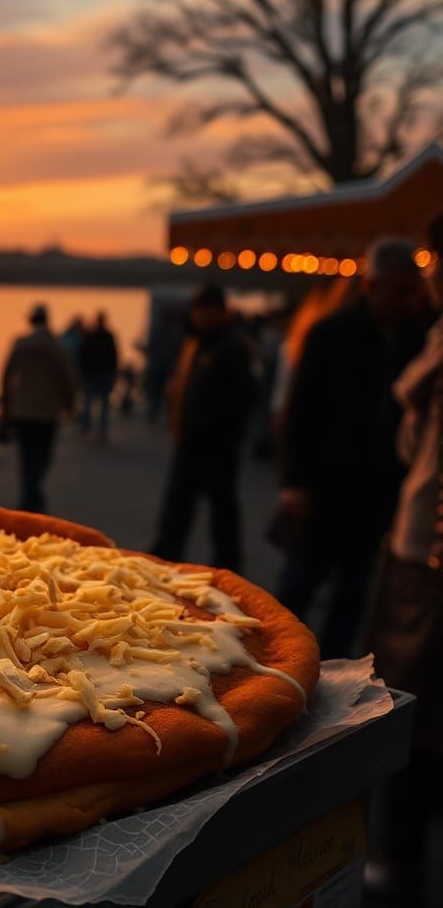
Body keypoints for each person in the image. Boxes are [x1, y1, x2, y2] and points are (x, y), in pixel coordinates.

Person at [276, 237, 427, 658]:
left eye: (411, 292)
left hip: (380, 492)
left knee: (354, 591)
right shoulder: (331, 333)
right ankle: (280, 661)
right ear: (371, 285)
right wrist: (294, 483)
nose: (406, 302)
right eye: (399, 292)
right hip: (325, 486)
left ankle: (334, 669)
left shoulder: (417, 337)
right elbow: (299, 411)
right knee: (300, 583)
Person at [364, 216, 443, 901]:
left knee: (410, 704)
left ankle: (399, 850)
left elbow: (416, 453)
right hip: (416, 550)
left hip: (426, 555)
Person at [151, 285, 256, 570]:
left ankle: (229, 565)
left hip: (218, 445)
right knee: (178, 506)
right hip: (189, 440)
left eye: (205, 310)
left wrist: (217, 427)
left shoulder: (232, 347)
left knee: (222, 507)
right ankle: (164, 558)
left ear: (220, 312)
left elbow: (244, 397)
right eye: (197, 310)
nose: (199, 316)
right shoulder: (195, 343)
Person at [2, 304, 77, 512]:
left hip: (22, 409)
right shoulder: (57, 346)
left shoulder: (21, 343)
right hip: (47, 410)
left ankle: (29, 493)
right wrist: (70, 404)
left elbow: (7, 374)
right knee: (43, 454)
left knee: (26, 455)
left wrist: (7, 404)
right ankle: (32, 492)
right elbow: (67, 378)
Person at [78, 311, 118, 440]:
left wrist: (82, 371)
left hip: (93, 373)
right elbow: (114, 356)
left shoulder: (91, 335)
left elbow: (82, 355)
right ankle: (100, 429)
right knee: (101, 402)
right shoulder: (107, 336)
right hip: (101, 373)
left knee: (89, 401)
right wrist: (113, 372)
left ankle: (88, 427)